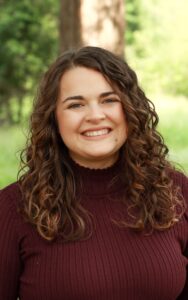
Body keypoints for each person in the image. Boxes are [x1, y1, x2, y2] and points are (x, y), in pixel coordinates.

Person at [0, 46, 187, 300]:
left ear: (131, 109)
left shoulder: (174, 190)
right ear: (54, 119)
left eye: (109, 100)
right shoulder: (13, 208)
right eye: (76, 104)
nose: (95, 116)